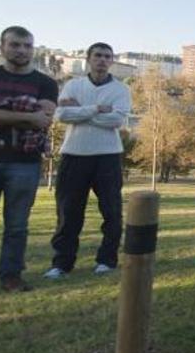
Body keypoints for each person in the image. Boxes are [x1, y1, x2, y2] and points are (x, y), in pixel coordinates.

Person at [0, 26, 58, 295]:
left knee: (17, 226)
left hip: (25, 164)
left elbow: (44, 119)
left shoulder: (46, 83)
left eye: (27, 46)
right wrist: (28, 116)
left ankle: (11, 276)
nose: (21, 50)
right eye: (15, 45)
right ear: (2, 47)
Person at [43, 42, 131, 279]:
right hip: (74, 155)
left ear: (111, 60)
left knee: (111, 212)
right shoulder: (73, 84)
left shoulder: (121, 89)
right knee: (68, 213)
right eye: (98, 55)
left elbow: (116, 121)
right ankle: (61, 264)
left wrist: (81, 111)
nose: (102, 60)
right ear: (89, 59)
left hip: (107, 156)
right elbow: (61, 115)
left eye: (107, 56)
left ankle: (107, 260)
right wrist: (96, 109)